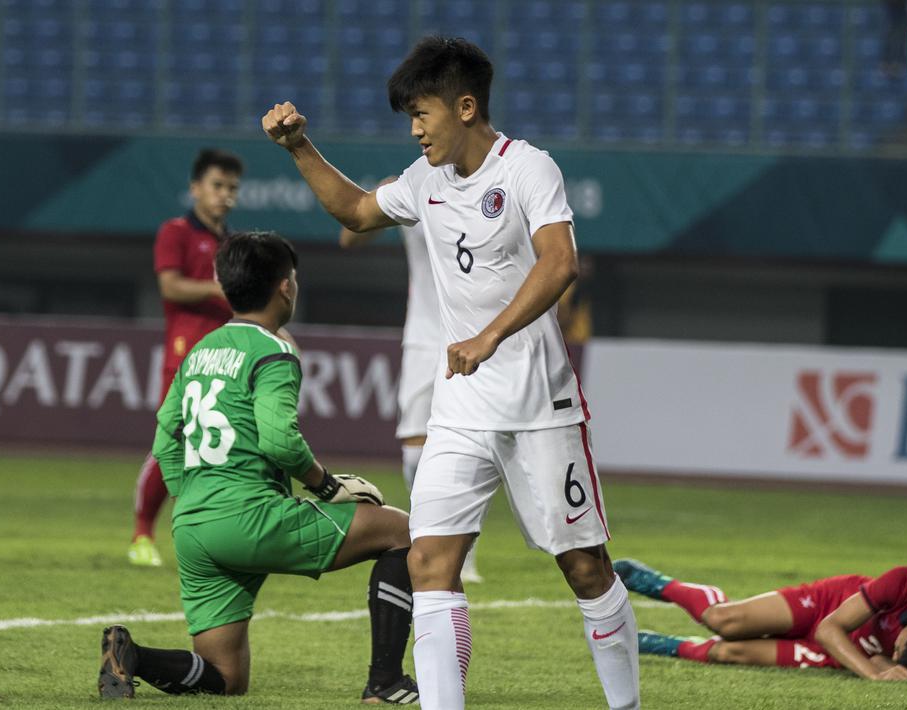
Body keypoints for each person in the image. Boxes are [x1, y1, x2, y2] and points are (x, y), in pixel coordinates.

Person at [264, 36, 640, 710]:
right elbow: (354, 210)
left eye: (421, 115)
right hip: (459, 407)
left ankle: (626, 706)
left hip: (538, 406)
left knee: (584, 568)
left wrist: (489, 335)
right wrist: (298, 149)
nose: (413, 131)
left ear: (465, 107)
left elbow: (558, 264)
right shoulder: (423, 183)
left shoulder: (528, 169)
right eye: (408, 117)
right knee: (429, 563)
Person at [100, 232, 420, 704]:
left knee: (226, 678)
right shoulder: (273, 351)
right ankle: (386, 682)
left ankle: (132, 658)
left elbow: (165, 436)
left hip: (193, 527)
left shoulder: (201, 351)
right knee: (404, 532)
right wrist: (328, 486)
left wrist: (187, 497)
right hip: (251, 518)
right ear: (285, 287)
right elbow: (278, 439)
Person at [339, 182, 481, 584]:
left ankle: (464, 550)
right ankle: (428, 536)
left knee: (472, 446)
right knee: (416, 453)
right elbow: (350, 236)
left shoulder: (489, 188)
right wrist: (375, 197)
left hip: (475, 335)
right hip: (424, 336)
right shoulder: (409, 188)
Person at [129, 149, 241, 567]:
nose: (224, 195)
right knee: (171, 443)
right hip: (184, 355)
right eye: (217, 186)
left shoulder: (233, 245)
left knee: (221, 447)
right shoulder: (175, 232)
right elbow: (171, 287)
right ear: (195, 188)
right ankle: (142, 532)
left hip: (228, 359)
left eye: (231, 188)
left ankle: (213, 537)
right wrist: (217, 289)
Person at [615, 559, 907, 682]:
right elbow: (829, 629)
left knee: (731, 653)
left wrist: (887, 662)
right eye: (899, 647)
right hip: (835, 608)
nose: (895, 653)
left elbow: (890, 661)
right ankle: (659, 583)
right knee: (726, 621)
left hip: (846, 652)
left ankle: (664, 645)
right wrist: (874, 673)